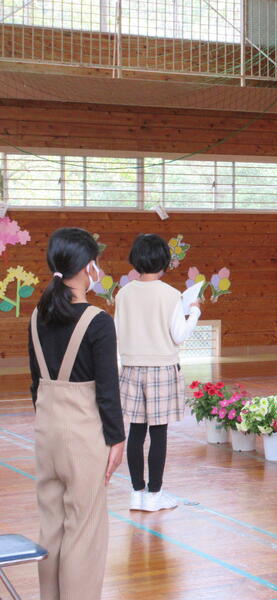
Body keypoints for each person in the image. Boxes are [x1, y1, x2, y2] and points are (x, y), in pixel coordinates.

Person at [28, 227, 125, 600]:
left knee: (51, 527)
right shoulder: (97, 320)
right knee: (84, 531)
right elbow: (107, 390)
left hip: (46, 432)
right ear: (88, 266)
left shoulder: (37, 315)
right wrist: (116, 438)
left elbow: (36, 384)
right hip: (83, 435)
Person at [115, 234, 200, 512]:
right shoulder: (171, 294)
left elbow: (117, 331)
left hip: (131, 368)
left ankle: (136, 492)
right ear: (164, 260)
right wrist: (195, 313)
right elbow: (179, 335)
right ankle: (154, 494)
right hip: (162, 368)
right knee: (159, 434)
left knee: (136, 432)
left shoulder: (123, 293)